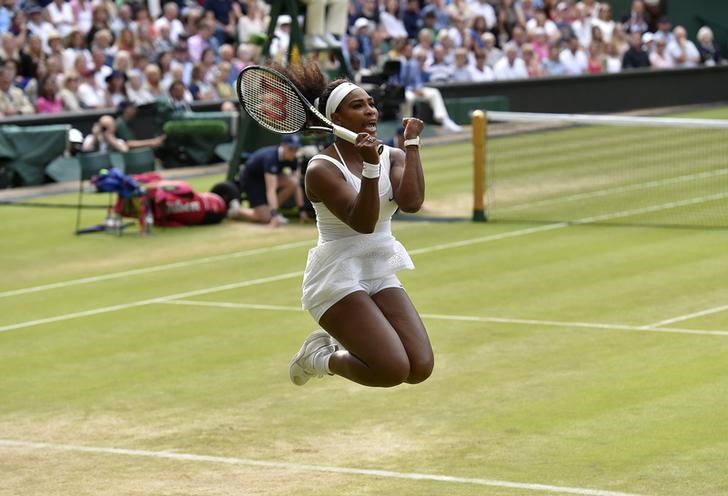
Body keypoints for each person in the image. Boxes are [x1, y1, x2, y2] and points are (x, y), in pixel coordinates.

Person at [276, 62, 434, 388]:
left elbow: (412, 203)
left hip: (377, 266)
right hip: (335, 276)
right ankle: (319, 358)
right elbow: (363, 222)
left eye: (371, 104)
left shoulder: (393, 155)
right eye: (357, 106)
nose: (370, 111)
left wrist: (411, 145)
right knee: (391, 370)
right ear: (336, 118)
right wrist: (371, 169)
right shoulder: (321, 168)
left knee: (419, 367)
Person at [230, 134, 310, 227]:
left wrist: (302, 210)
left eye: (296, 149)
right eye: (291, 148)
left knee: (292, 183)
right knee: (265, 218)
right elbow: (271, 189)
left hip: (268, 177)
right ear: (283, 146)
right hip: (251, 180)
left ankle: (270, 211)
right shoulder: (271, 158)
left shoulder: (293, 158)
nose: (294, 152)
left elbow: (296, 185)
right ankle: (236, 210)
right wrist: (274, 215)